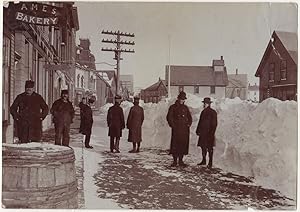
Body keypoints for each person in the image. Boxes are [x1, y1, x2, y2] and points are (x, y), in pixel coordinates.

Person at [166, 91, 192, 167]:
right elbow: (169, 117)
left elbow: (190, 118)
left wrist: (188, 124)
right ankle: (174, 161)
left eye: (183, 99)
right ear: (178, 99)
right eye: (181, 99)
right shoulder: (173, 107)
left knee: (182, 145)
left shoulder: (185, 108)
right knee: (175, 145)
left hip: (184, 130)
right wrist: (173, 125)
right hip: (176, 129)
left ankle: (181, 161)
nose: (182, 100)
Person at [196, 97, 218, 168]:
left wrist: (212, 133)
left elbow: (214, 124)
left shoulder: (213, 112)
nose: (205, 105)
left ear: (209, 104)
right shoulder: (203, 112)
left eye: (206, 103)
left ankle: (210, 162)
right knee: (203, 147)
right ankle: (204, 160)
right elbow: (200, 122)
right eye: (204, 103)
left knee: (209, 148)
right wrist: (198, 130)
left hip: (209, 133)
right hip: (203, 133)